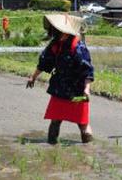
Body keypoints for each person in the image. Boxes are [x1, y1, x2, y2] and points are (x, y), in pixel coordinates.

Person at [26, 14, 94, 144]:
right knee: (55, 120)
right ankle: (51, 145)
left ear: (66, 32)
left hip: (78, 93)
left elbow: (87, 71)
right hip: (59, 91)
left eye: (57, 32)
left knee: (83, 123)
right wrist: (33, 77)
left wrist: (86, 89)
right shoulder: (55, 45)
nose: (55, 35)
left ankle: (88, 150)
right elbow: (44, 63)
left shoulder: (78, 47)